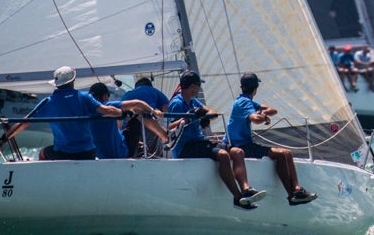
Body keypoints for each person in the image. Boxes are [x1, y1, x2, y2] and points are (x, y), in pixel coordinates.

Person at [168, 71, 265, 210]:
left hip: (199, 142)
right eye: (197, 86)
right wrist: (188, 117)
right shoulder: (177, 103)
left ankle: (246, 189)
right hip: (186, 146)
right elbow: (170, 126)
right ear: (192, 87)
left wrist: (204, 114)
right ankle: (238, 198)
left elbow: (212, 112)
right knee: (223, 155)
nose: (198, 89)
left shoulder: (193, 101)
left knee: (237, 152)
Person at [223, 72, 317, 206]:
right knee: (282, 154)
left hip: (246, 145)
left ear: (241, 87)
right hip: (239, 145)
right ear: (256, 89)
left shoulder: (246, 100)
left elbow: (273, 110)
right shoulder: (243, 102)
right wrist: (261, 116)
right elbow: (255, 119)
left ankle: (296, 191)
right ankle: (293, 194)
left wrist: (264, 113)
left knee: (286, 153)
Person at [14, 66, 127, 161]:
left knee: (43, 153)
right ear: (73, 81)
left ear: (56, 84)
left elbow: (24, 123)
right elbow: (107, 110)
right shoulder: (84, 97)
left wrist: (4, 138)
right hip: (87, 153)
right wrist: (122, 113)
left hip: (62, 154)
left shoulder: (48, 102)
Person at [88, 82, 167, 159]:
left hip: (99, 155)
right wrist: (154, 112)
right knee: (138, 112)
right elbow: (138, 104)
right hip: (121, 152)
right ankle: (165, 137)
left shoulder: (86, 113)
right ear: (105, 96)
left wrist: (136, 142)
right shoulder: (106, 106)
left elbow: (114, 130)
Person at [121, 77, 171, 157]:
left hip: (126, 127)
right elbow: (167, 109)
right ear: (150, 86)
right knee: (155, 142)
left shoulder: (127, 94)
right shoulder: (153, 91)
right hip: (146, 122)